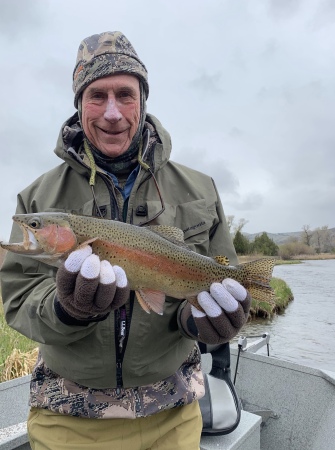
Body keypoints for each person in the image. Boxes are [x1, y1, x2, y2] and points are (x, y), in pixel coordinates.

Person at [0, 31, 251, 450]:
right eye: (97, 96)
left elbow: (217, 281)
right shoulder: (38, 197)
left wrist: (205, 323)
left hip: (173, 415)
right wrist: (68, 310)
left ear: (143, 101)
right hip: (67, 418)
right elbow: (18, 301)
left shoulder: (201, 188)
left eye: (125, 94)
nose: (112, 112)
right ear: (79, 105)